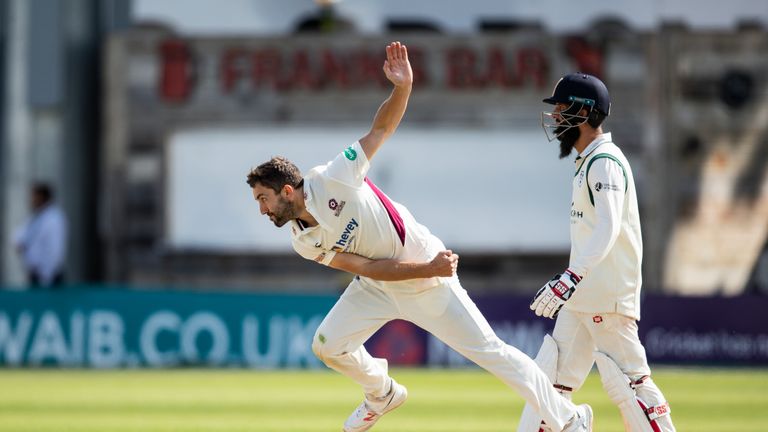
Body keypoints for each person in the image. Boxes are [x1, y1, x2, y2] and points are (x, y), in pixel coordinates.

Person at [246, 42, 592, 432]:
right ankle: (383, 392)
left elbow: (380, 130)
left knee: (493, 353)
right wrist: (418, 269)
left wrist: (402, 88)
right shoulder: (301, 239)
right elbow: (365, 267)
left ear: (287, 191)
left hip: (428, 278)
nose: (262, 209)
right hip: (378, 283)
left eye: (264, 198)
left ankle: (570, 419)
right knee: (327, 345)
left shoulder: (332, 178)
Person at [517, 73, 676, 432]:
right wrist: (573, 283)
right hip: (582, 296)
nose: (555, 115)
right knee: (551, 383)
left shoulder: (605, 161)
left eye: (562, 107)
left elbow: (609, 225)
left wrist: (570, 277)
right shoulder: (586, 162)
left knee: (630, 385)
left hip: (606, 295)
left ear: (585, 113)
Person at [13, 183, 68, 287]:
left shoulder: (54, 218)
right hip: (35, 273)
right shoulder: (34, 217)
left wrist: (47, 275)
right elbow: (20, 237)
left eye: (35, 196)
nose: (32, 200)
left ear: (42, 197)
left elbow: (55, 249)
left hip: (48, 276)